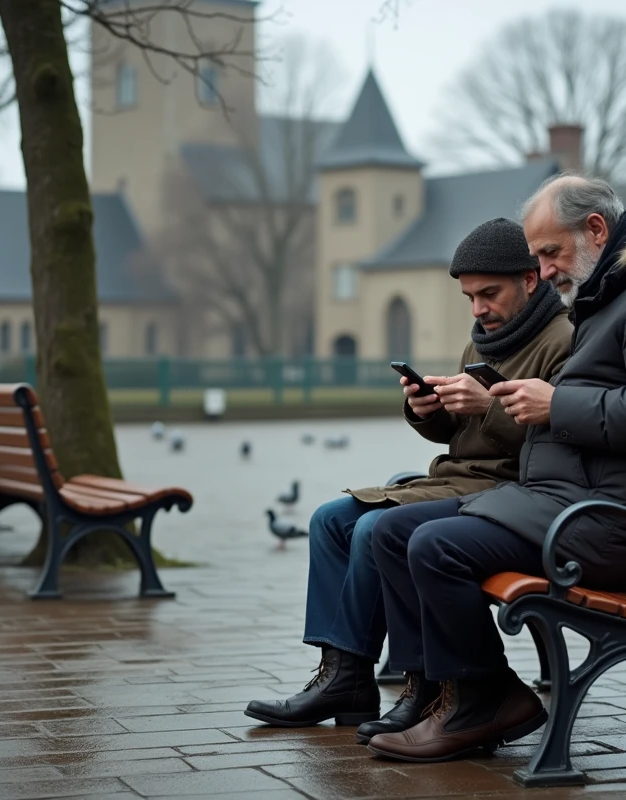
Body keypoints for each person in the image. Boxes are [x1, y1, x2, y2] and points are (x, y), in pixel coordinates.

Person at [365, 174, 626, 763]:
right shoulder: (614, 295)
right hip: (564, 503)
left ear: (595, 230)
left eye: (549, 253)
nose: (544, 269)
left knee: (435, 546)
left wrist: (555, 404)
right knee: (391, 529)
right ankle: (457, 695)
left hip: (608, 521)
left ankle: (482, 702)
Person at [244, 218, 573, 739]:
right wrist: (429, 409)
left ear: (530, 280)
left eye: (489, 294)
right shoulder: (483, 342)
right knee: (330, 519)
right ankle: (344, 677)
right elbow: (464, 437)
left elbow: (557, 449)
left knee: (379, 530)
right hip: (460, 480)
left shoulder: (564, 341)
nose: (479, 309)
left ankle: (426, 686)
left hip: (508, 495)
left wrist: (487, 405)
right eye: (469, 297)